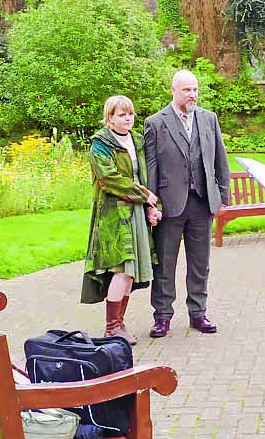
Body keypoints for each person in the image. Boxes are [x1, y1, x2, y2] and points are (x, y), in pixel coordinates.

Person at [143, 69, 230, 338]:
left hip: (202, 202)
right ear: (173, 90)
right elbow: (151, 167)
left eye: (195, 90)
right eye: (186, 90)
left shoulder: (208, 119)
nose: (192, 95)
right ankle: (162, 316)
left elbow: (220, 160)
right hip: (170, 204)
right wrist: (151, 203)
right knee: (165, 263)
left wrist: (222, 198)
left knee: (200, 262)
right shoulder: (156, 123)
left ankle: (198, 313)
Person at [84, 95, 159, 346]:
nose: (128, 118)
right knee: (122, 269)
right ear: (110, 118)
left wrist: (150, 206)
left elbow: (143, 174)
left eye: (131, 114)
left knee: (130, 272)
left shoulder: (136, 140)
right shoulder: (100, 145)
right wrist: (145, 195)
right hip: (114, 215)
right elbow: (110, 180)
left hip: (135, 212)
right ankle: (112, 327)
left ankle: (119, 323)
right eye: (121, 114)